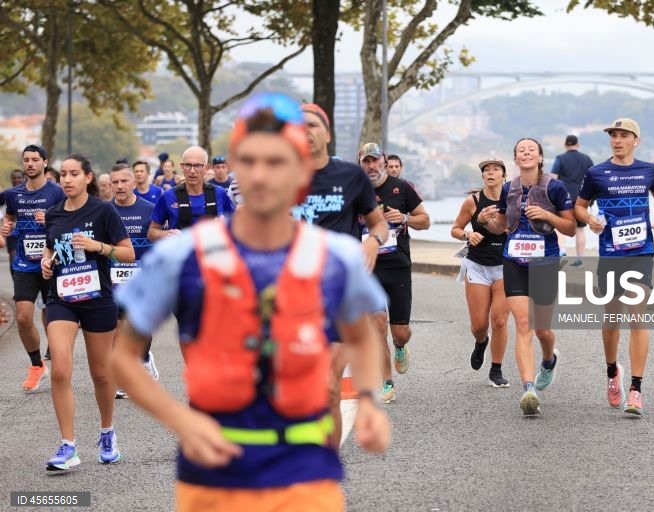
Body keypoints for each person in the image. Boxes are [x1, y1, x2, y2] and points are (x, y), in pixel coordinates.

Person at [111, 92, 391, 511]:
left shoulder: (334, 255)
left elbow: (363, 336)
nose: (263, 175)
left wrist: (367, 400)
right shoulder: (184, 254)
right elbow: (122, 358)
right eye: (251, 160)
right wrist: (182, 420)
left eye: (276, 161)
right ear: (234, 169)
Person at [293, 102, 388, 449]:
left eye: (313, 124)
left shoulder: (350, 176)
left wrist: (373, 243)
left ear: (327, 133)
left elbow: (378, 223)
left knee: (329, 386)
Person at [41, 153, 135, 470]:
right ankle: (68, 446)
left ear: (88, 178)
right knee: (60, 368)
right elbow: (51, 246)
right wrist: (45, 259)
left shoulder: (103, 211)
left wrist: (99, 247)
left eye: (73, 174)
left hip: (97, 299)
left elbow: (127, 253)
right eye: (63, 175)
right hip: (62, 298)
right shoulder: (54, 213)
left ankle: (107, 433)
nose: (66, 180)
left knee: (101, 372)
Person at [574, 118, 654, 417]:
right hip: (611, 253)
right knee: (612, 318)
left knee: (637, 315)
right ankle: (612, 370)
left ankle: (636, 390)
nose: (617, 139)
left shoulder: (649, 170)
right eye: (613, 135)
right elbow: (579, 205)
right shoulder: (596, 173)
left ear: (635, 140)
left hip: (642, 251)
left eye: (623, 135)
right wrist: (590, 220)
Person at [477, 138, 575, 416]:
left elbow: (569, 228)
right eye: (521, 150)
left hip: (545, 261)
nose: (527, 153)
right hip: (514, 261)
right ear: (516, 160)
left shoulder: (555, 187)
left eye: (532, 149)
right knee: (523, 323)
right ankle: (528, 389)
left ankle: (549, 359)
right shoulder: (509, 189)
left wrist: (547, 215)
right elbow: (502, 227)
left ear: (540, 158)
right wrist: (486, 221)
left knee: (542, 330)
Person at [359, 142, 430, 403]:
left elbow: (425, 220)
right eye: (365, 161)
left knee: (400, 332)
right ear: (360, 164)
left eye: (374, 160)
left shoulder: (402, 187)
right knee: (377, 327)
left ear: (384, 161)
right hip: (368, 268)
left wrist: (406, 219)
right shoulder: (355, 190)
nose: (370, 166)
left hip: (398, 266)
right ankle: (387, 383)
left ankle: (400, 346)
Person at [2, 145, 66, 392]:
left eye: (35, 160)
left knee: (55, 316)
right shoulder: (14, 195)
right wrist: (6, 227)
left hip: (52, 261)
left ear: (44, 163)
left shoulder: (57, 193)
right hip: (25, 263)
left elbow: (69, 220)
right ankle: (37, 365)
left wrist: (49, 219)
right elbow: (9, 217)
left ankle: (61, 359)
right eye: (26, 160)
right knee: (22, 317)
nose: (30, 164)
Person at [450, 157, 511, 387]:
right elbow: (455, 229)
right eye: (486, 170)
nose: (490, 172)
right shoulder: (473, 201)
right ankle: (480, 342)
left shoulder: (513, 199)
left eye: (495, 169)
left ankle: (496, 369)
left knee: (499, 320)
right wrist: (467, 234)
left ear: (503, 175)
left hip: (506, 266)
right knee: (479, 325)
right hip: (477, 265)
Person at [108, 163, 159, 399]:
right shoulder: (104, 211)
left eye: (123, 181)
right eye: (115, 182)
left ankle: (144, 358)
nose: (119, 186)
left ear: (133, 182)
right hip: (113, 279)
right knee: (117, 329)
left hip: (143, 279)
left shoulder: (150, 209)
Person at [148, 147, 234, 241]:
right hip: (181, 253)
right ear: (182, 166)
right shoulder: (169, 195)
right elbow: (151, 232)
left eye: (198, 165)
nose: (192, 171)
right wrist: (166, 234)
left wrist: (225, 225)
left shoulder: (219, 193)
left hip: (211, 253)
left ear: (206, 168)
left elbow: (237, 225)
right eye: (188, 165)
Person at [551, 135, 593, 266]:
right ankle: (580, 259)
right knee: (580, 229)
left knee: (560, 226)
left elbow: (553, 178)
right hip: (582, 199)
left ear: (565, 145)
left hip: (563, 198)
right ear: (578, 145)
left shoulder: (560, 159)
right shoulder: (586, 159)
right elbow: (593, 178)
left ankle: (562, 252)